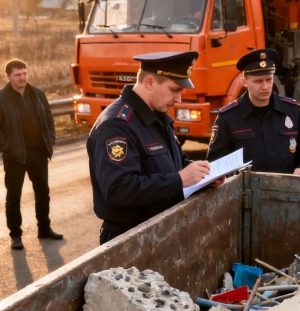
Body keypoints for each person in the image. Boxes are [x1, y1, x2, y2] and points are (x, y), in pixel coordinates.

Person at [87, 52, 215, 244]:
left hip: (161, 228)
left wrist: (202, 176)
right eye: (174, 89)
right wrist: (179, 179)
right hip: (129, 237)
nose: (179, 99)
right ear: (149, 82)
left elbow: (175, 164)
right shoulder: (117, 124)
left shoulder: (158, 115)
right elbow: (119, 189)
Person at [0, 59, 60, 251]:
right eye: (18, 74)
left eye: (25, 73)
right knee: (14, 196)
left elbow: (49, 121)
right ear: (8, 76)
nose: (22, 78)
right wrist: (8, 147)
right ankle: (15, 235)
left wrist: (49, 141)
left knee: (43, 192)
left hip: (38, 152)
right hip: (15, 156)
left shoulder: (37, 93)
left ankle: (44, 228)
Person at [206, 49, 300, 174]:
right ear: (244, 81)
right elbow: (215, 162)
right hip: (245, 192)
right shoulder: (228, 117)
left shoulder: (292, 110)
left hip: (286, 189)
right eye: (258, 81)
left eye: (268, 79)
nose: (265, 86)